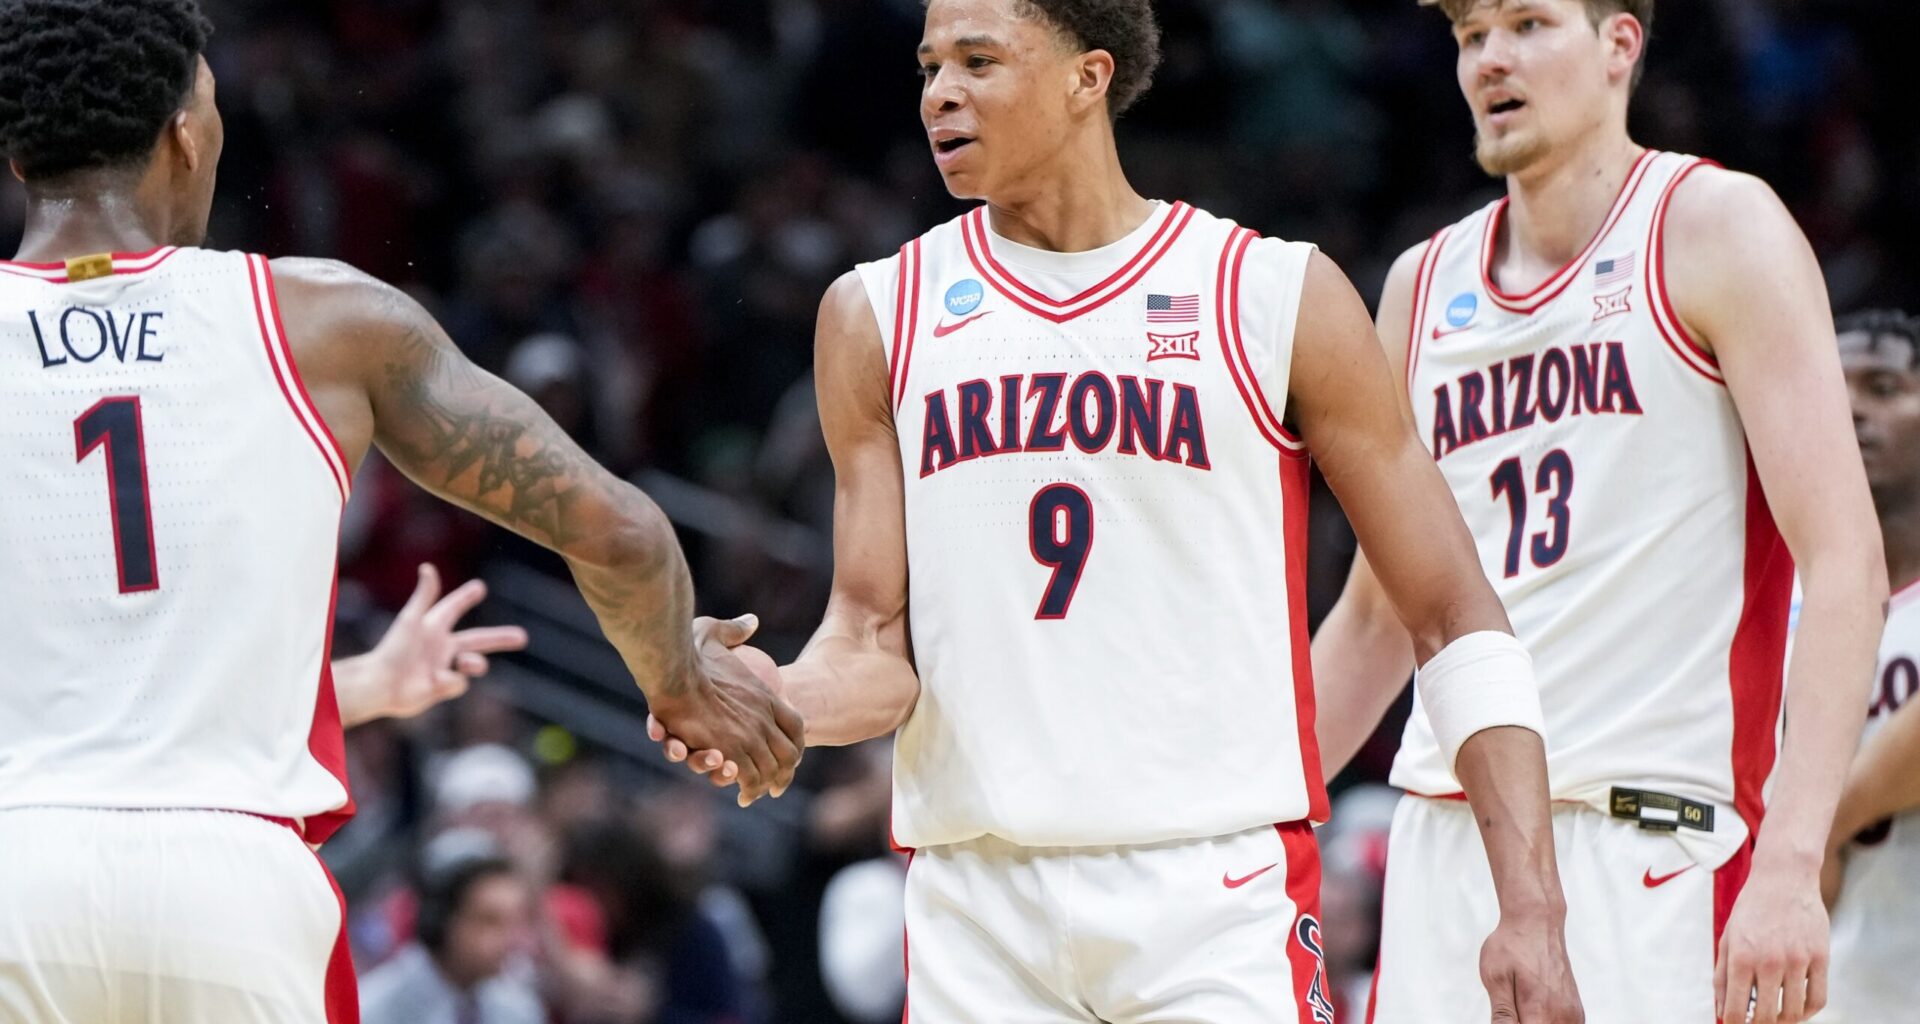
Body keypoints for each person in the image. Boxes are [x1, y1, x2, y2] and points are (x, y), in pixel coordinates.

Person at [655, 0, 1583, 1019]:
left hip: (1212, 896)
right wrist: (770, 692)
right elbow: (870, 643)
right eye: (928, 67)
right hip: (977, 907)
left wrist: (1531, 907)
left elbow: (1453, 613)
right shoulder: (877, 312)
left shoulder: (1269, 292)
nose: (939, 94)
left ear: (1087, 78)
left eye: (978, 60)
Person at [0, 1, 803, 1020]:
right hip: (236, 892)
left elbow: (94, 699)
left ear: (20, 160)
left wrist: (361, 689)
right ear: (188, 134)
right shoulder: (325, 322)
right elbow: (624, 533)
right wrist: (683, 685)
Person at [1308, 3, 1886, 1023]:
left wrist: (1794, 861)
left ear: (1621, 44)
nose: (1492, 58)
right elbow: (1374, 618)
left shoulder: (1718, 228)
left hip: (1651, 838)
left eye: (1529, 23)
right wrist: (1225, 816)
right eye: (1471, 35)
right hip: (1447, 842)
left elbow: (1843, 561)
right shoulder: (1418, 286)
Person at [1814, 310, 1920, 1022]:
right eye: (1832, 387)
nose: (1850, 408)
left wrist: (1819, 828)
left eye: (1882, 386)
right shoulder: (1768, 602)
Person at [358, 849, 545, 1024]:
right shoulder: (370, 1009)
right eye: (490, 921)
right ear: (440, 920)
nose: (513, 940)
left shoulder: (519, 1009)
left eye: (518, 921)